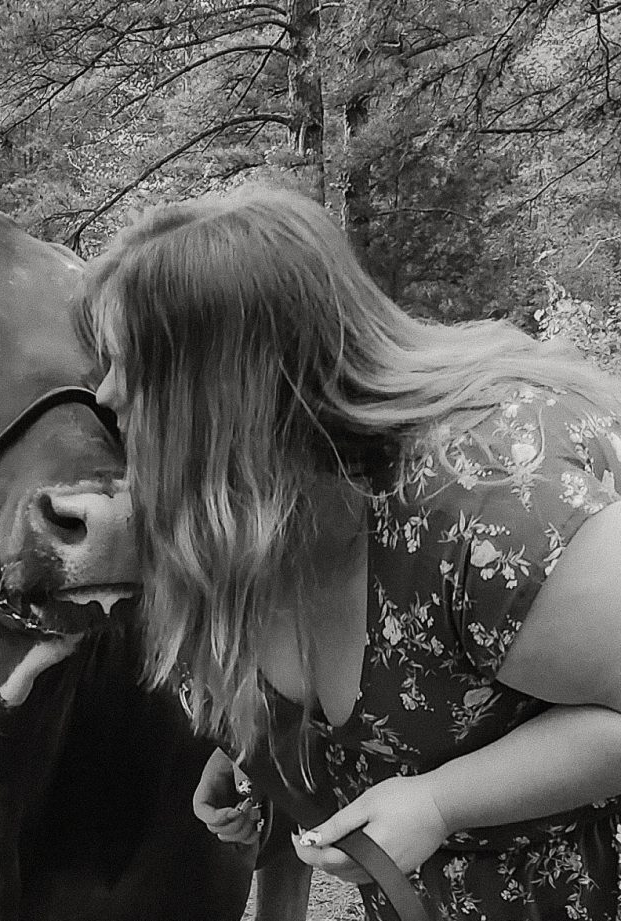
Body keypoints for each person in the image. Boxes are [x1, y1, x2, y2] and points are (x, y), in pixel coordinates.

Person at [83, 184, 621, 920]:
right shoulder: (245, 522)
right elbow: (387, 724)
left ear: (222, 394)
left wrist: (439, 800)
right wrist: (268, 767)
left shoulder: (484, 513)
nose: (105, 394)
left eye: (129, 367)